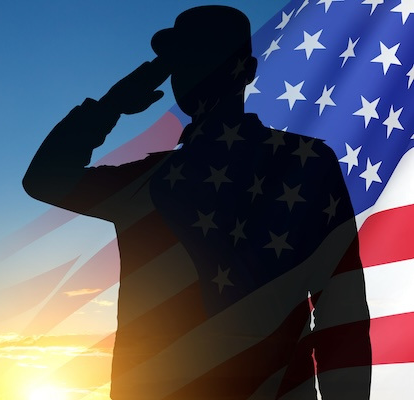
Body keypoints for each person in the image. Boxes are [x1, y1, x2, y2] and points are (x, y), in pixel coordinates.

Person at [23, 6, 371, 399]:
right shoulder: (306, 162)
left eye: (203, 58)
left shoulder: (149, 181)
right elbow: (344, 313)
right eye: (183, 61)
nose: (191, 72)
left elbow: (342, 307)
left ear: (246, 68)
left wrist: (113, 104)